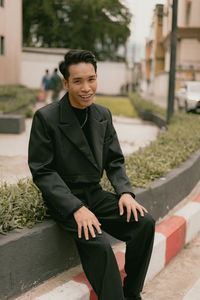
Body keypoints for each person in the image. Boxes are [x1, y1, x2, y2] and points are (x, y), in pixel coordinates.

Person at [28, 50, 155, 300]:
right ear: (65, 83)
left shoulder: (102, 115)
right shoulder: (46, 118)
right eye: (78, 81)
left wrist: (125, 192)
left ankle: (131, 293)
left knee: (144, 223)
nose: (86, 88)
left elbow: (115, 160)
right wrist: (76, 208)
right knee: (99, 245)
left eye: (91, 79)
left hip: (94, 194)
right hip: (66, 201)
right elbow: (43, 171)